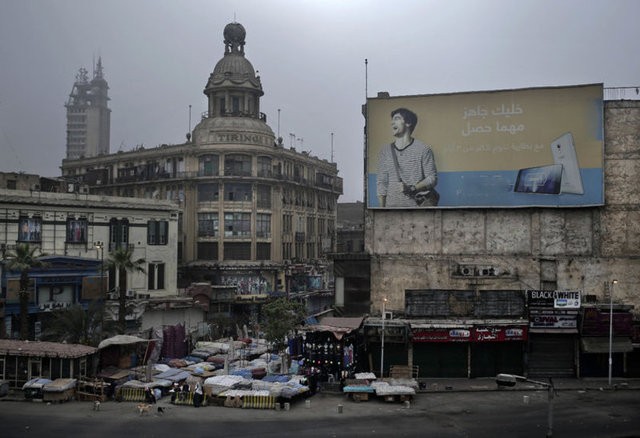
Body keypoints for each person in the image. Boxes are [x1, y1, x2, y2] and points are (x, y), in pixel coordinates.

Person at [376, 108, 438, 207]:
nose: (392, 123)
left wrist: (412, 188)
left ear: (408, 123)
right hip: (391, 210)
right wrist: (382, 210)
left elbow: (432, 178)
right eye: (392, 120)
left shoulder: (423, 149)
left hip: (417, 210)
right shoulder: (385, 151)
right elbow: (381, 183)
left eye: (396, 118)